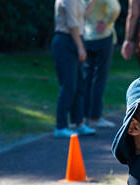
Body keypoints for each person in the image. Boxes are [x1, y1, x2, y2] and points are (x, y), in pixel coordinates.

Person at [51, 0, 96, 137]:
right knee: (68, 86)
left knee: (79, 85)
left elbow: (82, 18)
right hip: (66, 41)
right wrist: (80, 47)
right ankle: (61, 126)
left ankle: (78, 123)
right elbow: (72, 24)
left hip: (74, 39)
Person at [83, 0, 121, 129]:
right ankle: (95, 116)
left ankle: (84, 116)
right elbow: (115, 9)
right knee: (100, 78)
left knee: (87, 77)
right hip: (103, 35)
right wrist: (106, 23)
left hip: (87, 35)